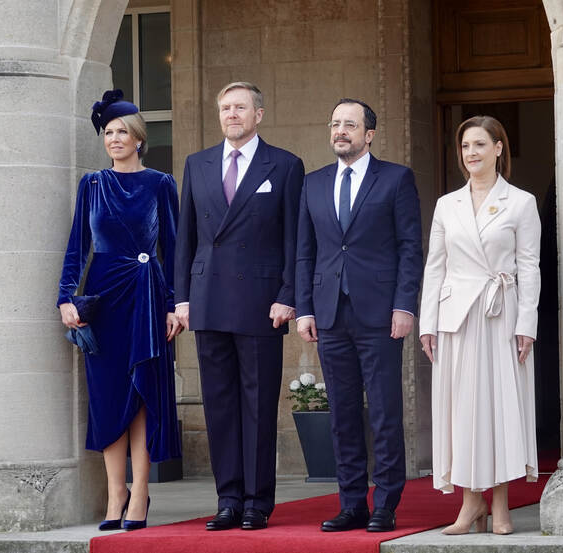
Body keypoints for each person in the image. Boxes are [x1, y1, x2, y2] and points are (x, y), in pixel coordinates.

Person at [174, 82, 305, 531]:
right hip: (208, 299)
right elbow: (185, 238)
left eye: (241, 107)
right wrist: (182, 299)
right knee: (219, 405)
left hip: (261, 302)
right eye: (226, 108)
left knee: (258, 405)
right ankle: (227, 498)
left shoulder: (285, 165)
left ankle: (257, 501)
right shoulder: (198, 164)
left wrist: (289, 294)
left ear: (259, 115)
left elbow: (294, 239)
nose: (232, 114)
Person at [56, 89, 183, 531]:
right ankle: (116, 494)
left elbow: (175, 250)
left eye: (122, 132)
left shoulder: (161, 184)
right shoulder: (91, 184)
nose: (114, 139)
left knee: (143, 393)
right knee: (108, 397)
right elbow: (77, 248)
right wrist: (66, 298)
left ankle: (141, 494)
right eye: (108, 132)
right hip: (104, 300)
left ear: (139, 139)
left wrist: (173, 307)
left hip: (147, 298)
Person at [295, 98, 423, 532]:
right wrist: (304, 309)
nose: (340, 131)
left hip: (380, 314)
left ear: (369, 134)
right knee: (343, 413)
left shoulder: (396, 179)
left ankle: (386, 502)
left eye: (349, 124)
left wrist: (405, 304)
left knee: (385, 411)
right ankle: (352, 503)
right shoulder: (313, 184)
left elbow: (410, 248)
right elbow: (304, 253)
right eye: (334, 124)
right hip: (330, 314)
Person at [419, 115, 541, 535]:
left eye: (479, 145)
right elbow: (435, 267)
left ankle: (502, 504)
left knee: (503, 407)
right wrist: (427, 325)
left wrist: (528, 324)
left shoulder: (521, 202)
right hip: (456, 318)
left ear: (498, 148)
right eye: (465, 146)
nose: (471, 153)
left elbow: (530, 266)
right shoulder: (446, 205)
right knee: (462, 408)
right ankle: (470, 505)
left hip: (501, 315)